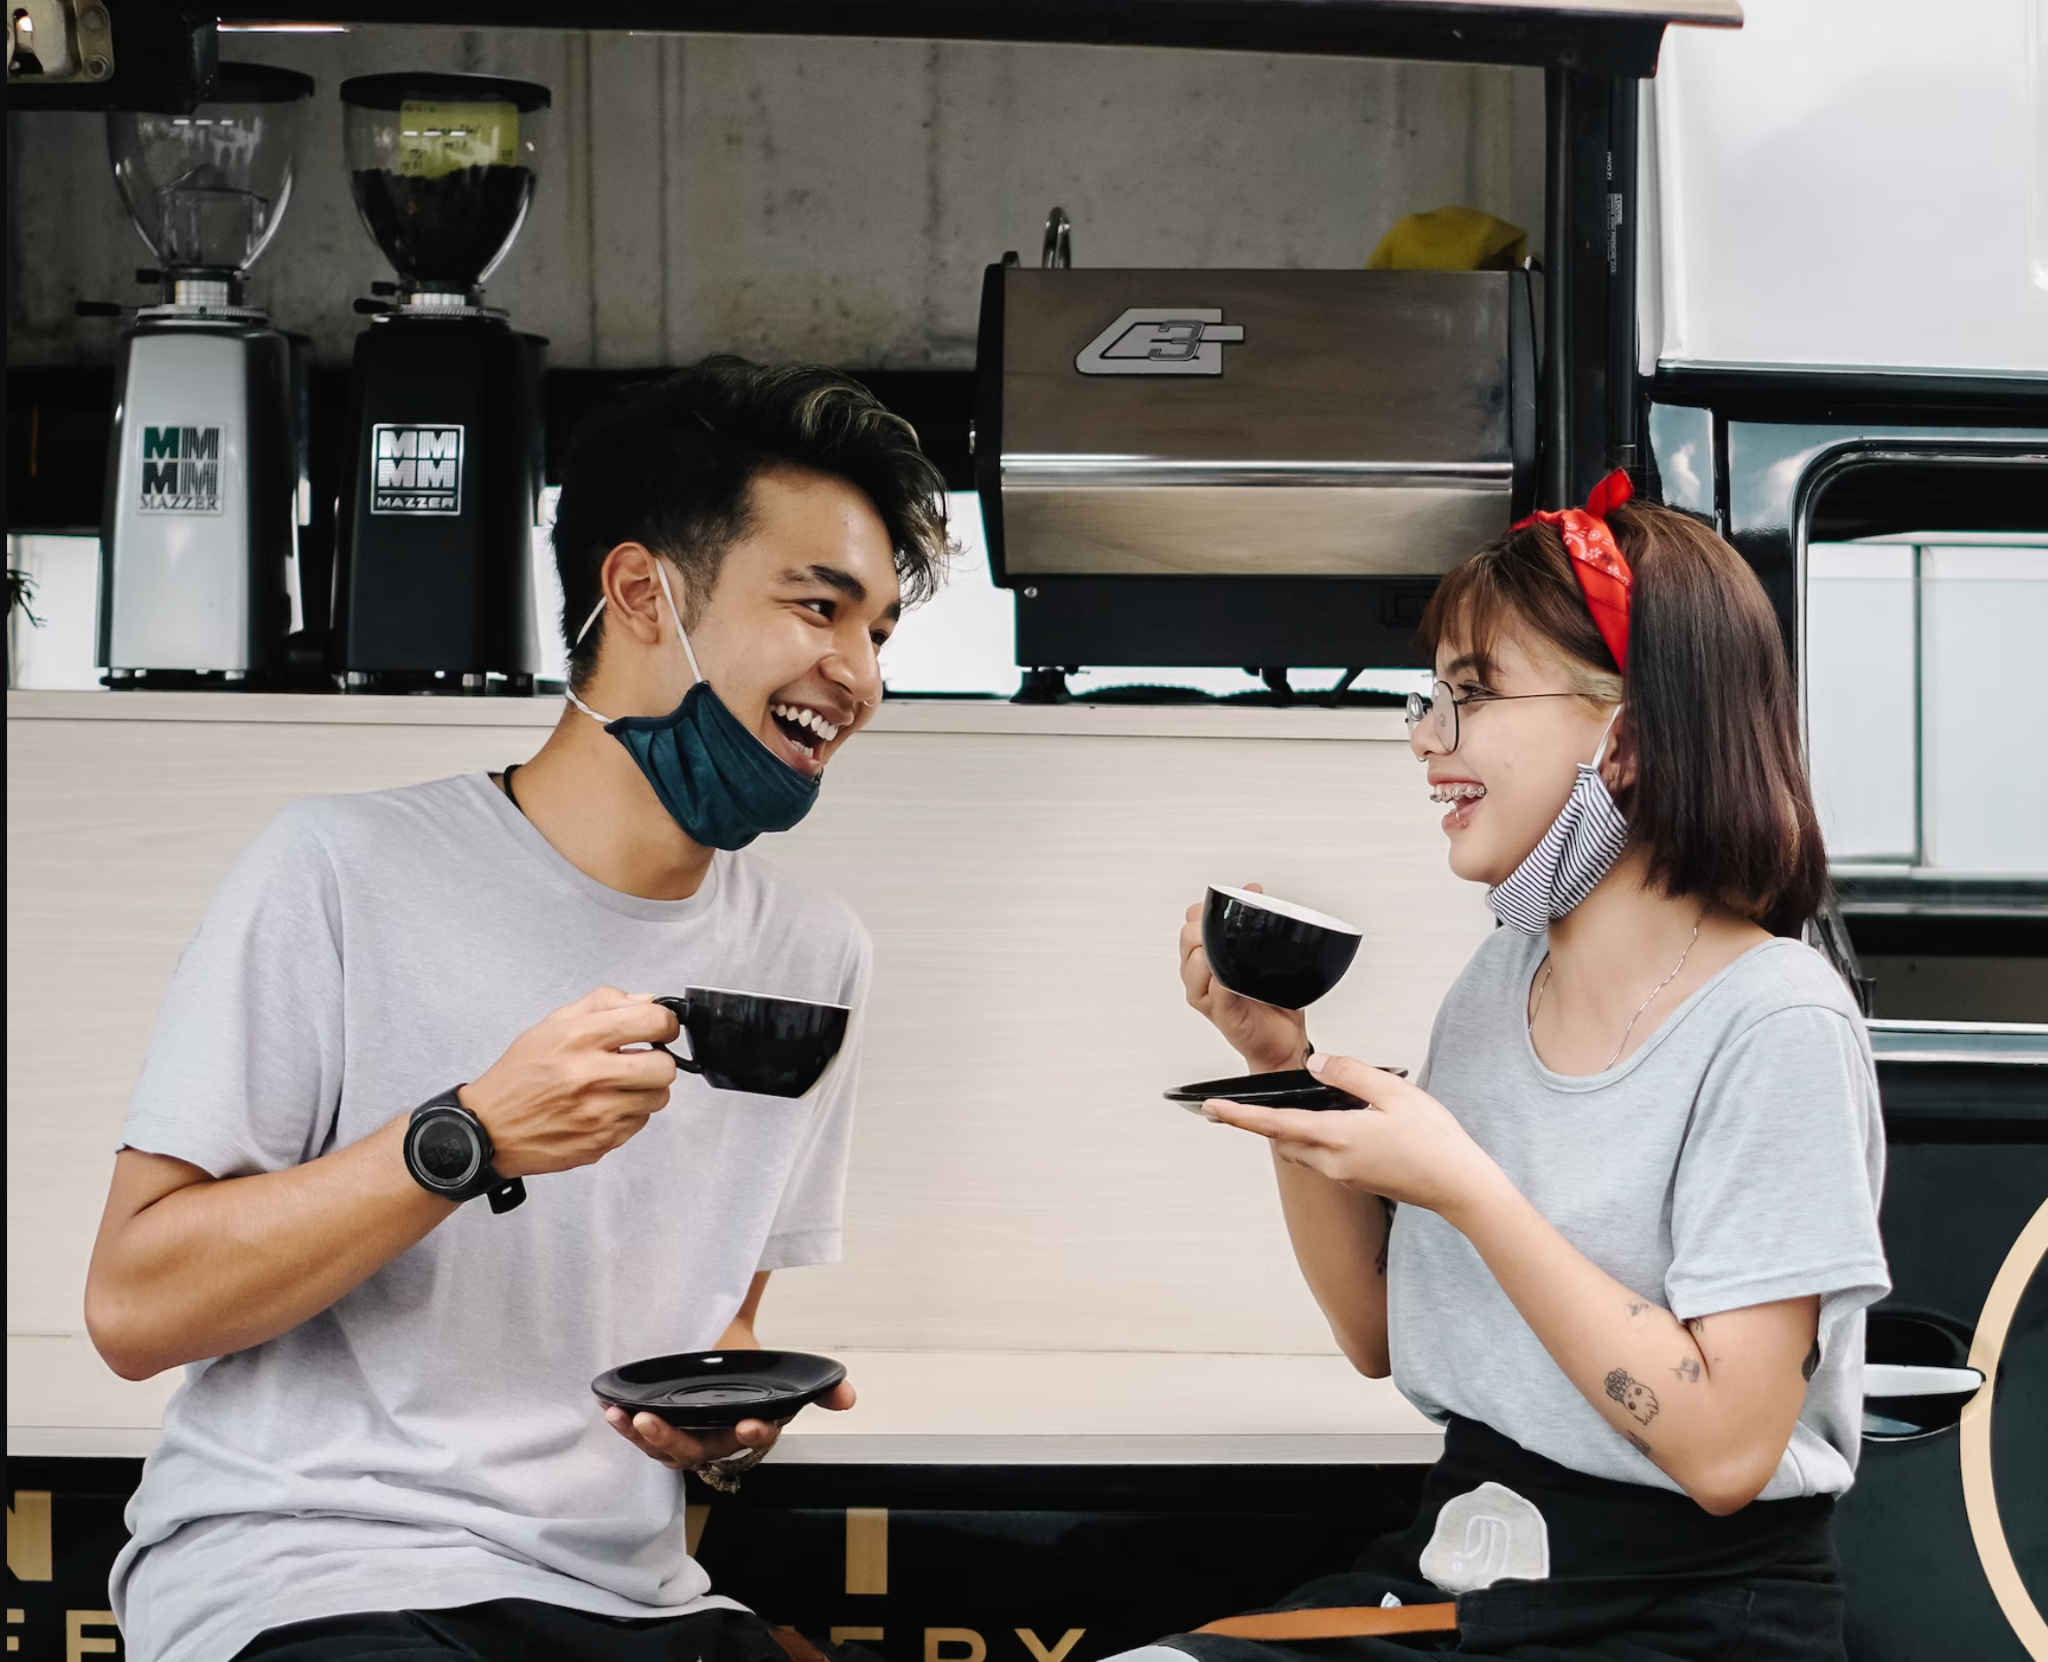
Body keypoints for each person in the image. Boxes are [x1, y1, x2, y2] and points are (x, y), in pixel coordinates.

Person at [84, 358, 951, 1662]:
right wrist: (467, 1136)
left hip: (625, 1596)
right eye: (820, 607)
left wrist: (719, 1428)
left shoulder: (812, 953)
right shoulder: (338, 868)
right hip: (314, 1566)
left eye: (879, 630)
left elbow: (716, 1319)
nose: (858, 673)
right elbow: (136, 1308)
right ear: (641, 591)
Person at [1160, 475, 1888, 1661]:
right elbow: (1375, 1331)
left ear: (1633, 734)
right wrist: (1281, 1065)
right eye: (1428, 698)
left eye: (1471, 696)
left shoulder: (1776, 1024)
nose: (1423, 741)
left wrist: (1466, 1187)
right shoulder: (1497, 987)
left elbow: (1719, 1453)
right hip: (1463, 1568)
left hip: (1681, 1614)